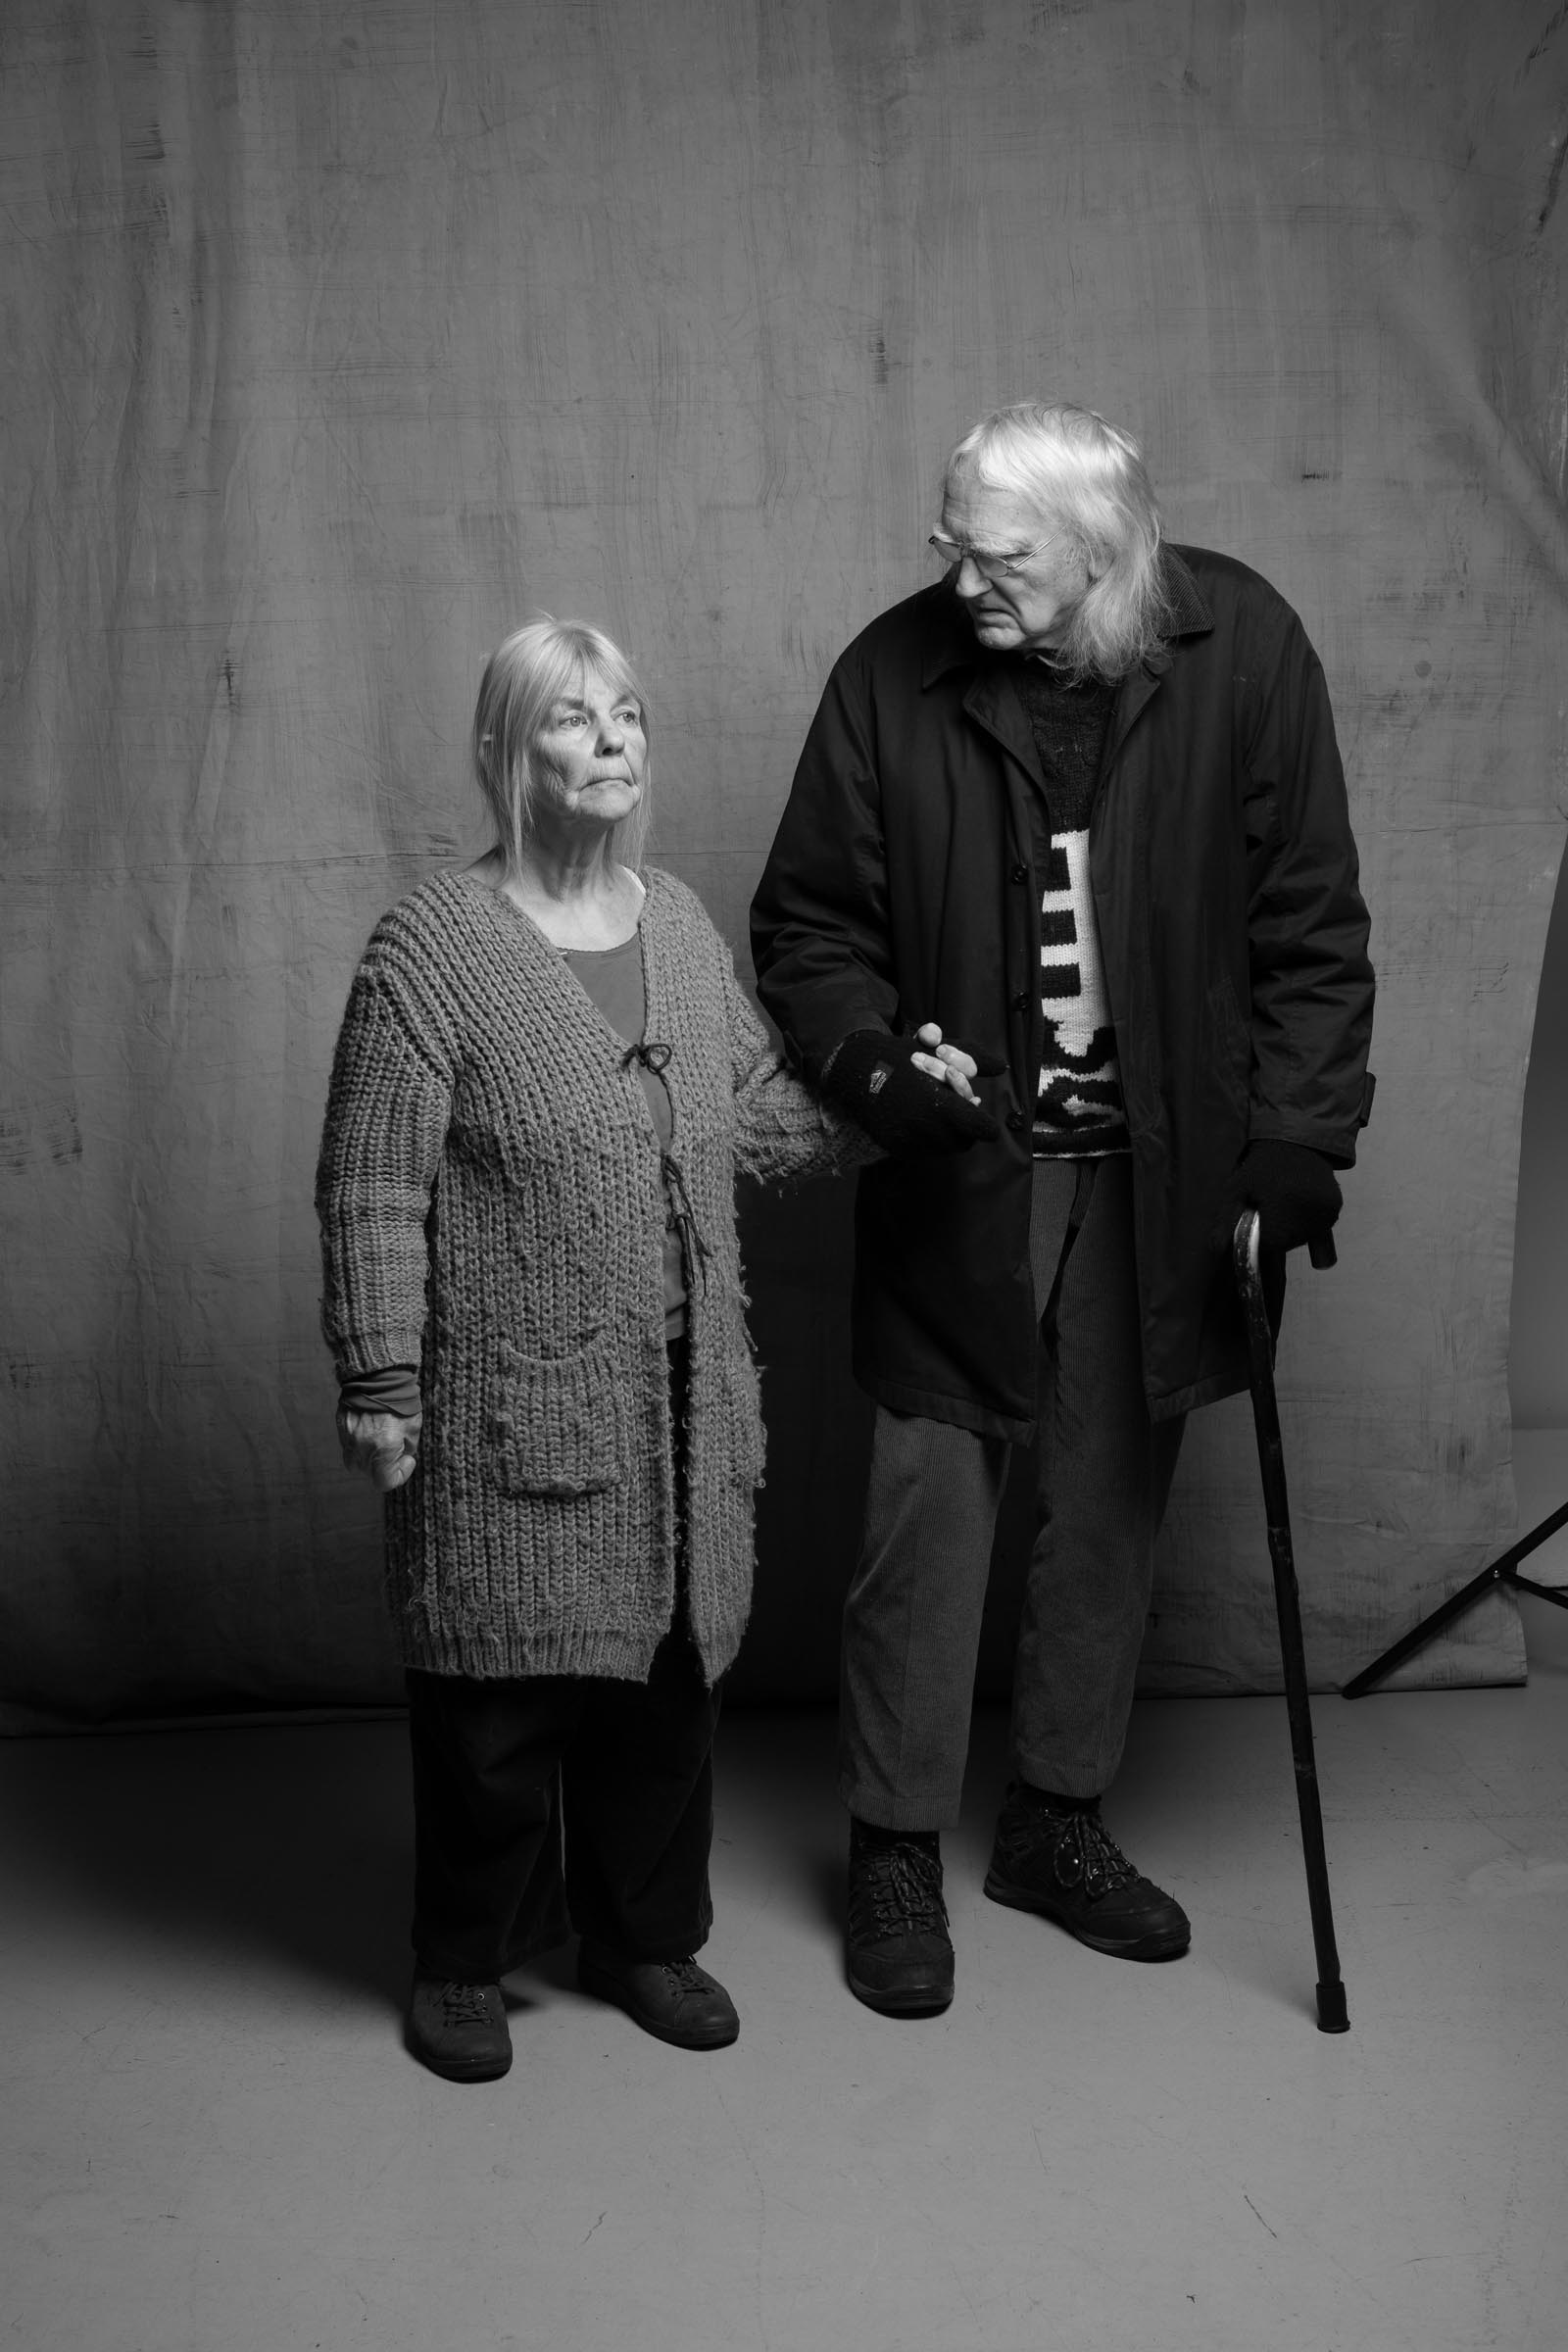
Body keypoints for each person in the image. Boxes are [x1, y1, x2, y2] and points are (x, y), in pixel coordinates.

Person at [751, 401, 1375, 2016]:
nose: (962, 582)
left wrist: (1300, 1139)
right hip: (968, 1167)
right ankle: (895, 1844)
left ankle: (1054, 1821)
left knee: (1107, 1506)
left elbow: (1311, 923)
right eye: (950, 546)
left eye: (1002, 559)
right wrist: (871, 1065)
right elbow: (809, 926)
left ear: (1104, 554)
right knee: (927, 1509)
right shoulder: (889, 676)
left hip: (1163, 1177)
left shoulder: (1247, 651)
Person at [316, 617, 958, 2082]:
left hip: (683, 1394)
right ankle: (463, 1960)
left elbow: (758, 1116)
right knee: (493, 1697)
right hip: (505, 1401)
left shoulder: (673, 921)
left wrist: (892, 1105)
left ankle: (644, 1937)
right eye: (572, 717)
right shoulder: (431, 950)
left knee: (670, 1689)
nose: (613, 739)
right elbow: (370, 1185)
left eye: (628, 714)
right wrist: (380, 1378)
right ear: (504, 749)